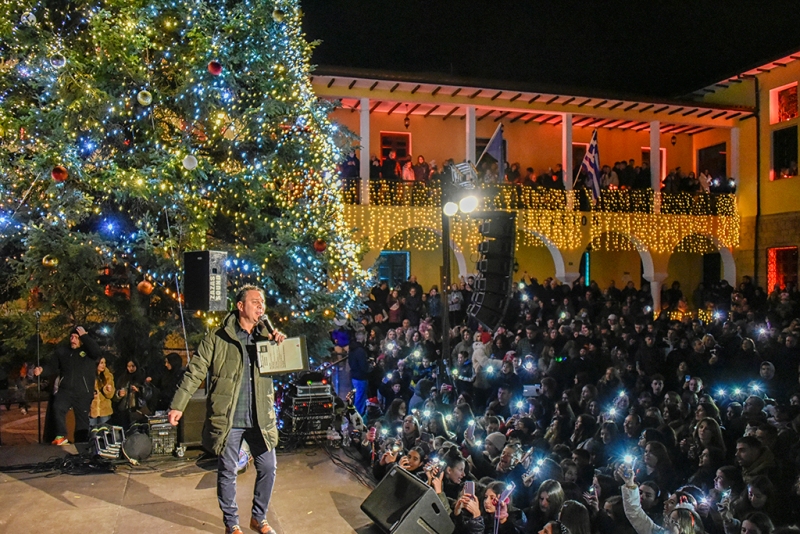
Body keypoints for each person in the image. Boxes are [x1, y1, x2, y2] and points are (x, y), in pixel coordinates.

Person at [168, 285, 286, 534]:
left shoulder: (266, 337)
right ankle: (231, 523)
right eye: (255, 301)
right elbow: (195, 371)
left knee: (268, 467)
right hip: (229, 418)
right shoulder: (217, 337)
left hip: (260, 417)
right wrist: (178, 405)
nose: (261, 306)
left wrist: (280, 347)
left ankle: (258, 518)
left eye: (262, 302)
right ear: (240, 306)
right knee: (228, 471)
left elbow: (284, 368)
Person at [34, 326, 101, 445]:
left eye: (76, 337)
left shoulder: (88, 352)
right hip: (66, 390)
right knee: (58, 407)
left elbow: (96, 352)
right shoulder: (63, 352)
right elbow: (52, 366)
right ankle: (60, 435)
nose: (73, 340)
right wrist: (42, 370)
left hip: (83, 391)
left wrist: (85, 336)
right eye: (71, 337)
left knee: (82, 418)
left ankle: (81, 442)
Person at [90, 356, 115, 429]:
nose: (103, 365)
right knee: (92, 431)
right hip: (92, 409)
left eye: (105, 363)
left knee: (104, 430)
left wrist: (107, 390)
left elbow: (111, 395)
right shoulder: (89, 375)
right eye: (101, 363)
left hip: (105, 411)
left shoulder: (108, 376)